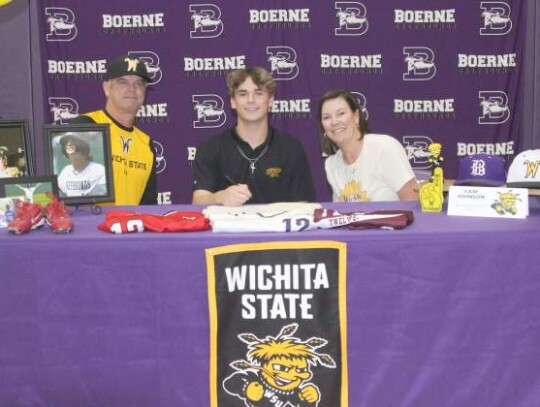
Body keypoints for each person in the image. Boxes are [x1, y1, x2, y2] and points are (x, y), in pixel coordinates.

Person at [192, 67, 315, 206]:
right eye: (243, 94)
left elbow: (303, 204)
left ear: (270, 101)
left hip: (276, 227)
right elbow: (198, 201)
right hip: (229, 227)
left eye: (259, 93)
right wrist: (219, 197)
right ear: (232, 101)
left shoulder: (291, 148)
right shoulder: (210, 148)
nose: (251, 100)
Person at [70, 55, 157, 205]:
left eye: (139, 83)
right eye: (122, 82)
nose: (132, 89)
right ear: (107, 88)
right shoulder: (86, 125)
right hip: (90, 227)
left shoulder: (146, 144)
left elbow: (148, 205)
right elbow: (70, 190)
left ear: (145, 92)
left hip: (129, 227)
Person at [318, 88, 418, 202]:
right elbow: (339, 214)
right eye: (326, 117)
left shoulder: (385, 148)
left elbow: (413, 205)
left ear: (356, 117)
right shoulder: (331, 165)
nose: (334, 122)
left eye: (340, 113)